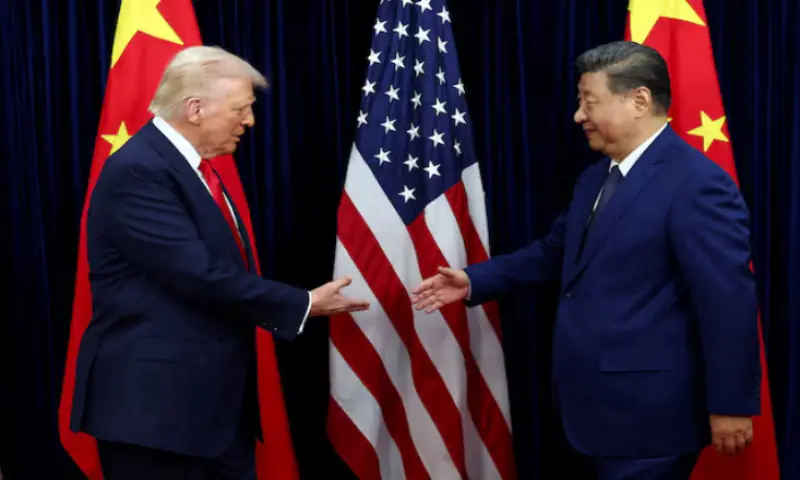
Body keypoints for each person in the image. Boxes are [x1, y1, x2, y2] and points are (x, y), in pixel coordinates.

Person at [412, 40, 760, 479]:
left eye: (588, 101)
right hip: (592, 408)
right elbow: (555, 252)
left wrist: (730, 404)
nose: (579, 115)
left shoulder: (696, 183)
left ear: (639, 100)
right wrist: (473, 280)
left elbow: (727, 300)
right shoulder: (596, 177)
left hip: (651, 417)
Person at [69, 46, 369, 480]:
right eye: (241, 109)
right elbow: (198, 274)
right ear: (195, 109)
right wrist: (301, 303)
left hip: (208, 412)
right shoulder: (140, 170)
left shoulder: (191, 169)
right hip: (158, 418)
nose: (249, 121)